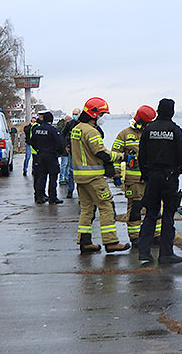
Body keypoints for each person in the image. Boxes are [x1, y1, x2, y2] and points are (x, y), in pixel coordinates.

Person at [70, 97, 131, 253]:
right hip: (93, 177)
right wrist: (122, 157)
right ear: (94, 114)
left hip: (80, 177)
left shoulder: (77, 128)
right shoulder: (91, 131)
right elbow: (101, 153)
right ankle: (111, 242)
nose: (102, 118)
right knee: (107, 206)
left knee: (87, 209)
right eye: (101, 114)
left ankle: (85, 242)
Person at [138, 98, 182, 264]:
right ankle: (166, 253)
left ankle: (144, 252)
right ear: (172, 112)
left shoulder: (149, 129)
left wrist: (145, 174)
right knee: (168, 214)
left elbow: (142, 155)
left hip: (152, 177)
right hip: (170, 178)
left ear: (157, 110)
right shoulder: (175, 130)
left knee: (150, 214)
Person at [112, 105, 158, 247]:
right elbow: (115, 155)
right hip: (134, 180)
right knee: (135, 209)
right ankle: (135, 238)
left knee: (156, 208)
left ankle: (157, 236)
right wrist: (116, 174)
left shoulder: (152, 133)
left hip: (151, 178)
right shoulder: (124, 134)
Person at [30, 111, 64, 204]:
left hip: (40, 155)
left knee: (41, 177)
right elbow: (59, 143)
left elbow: (32, 141)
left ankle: (40, 197)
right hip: (51, 156)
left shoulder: (37, 129)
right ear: (51, 120)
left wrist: (38, 149)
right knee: (53, 177)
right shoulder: (53, 130)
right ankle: (52, 198)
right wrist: (59, 152)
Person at [61, 107, 81, 198]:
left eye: (76, 114)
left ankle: (81, 191)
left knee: (81, 171)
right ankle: (70, 190)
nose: (74, 116)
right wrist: (66, 146)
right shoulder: (69, 124)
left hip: (81, 151)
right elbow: (63, 134)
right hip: (72, 149)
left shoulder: (82, 124)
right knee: (71, 171)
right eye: (73, 114)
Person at [58, 115, 72, 184]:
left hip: (67, 149)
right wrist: (65, 147)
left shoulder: (65, 128)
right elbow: (62, 139)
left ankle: (66, 178)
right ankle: (62, 178)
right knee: (64, 165)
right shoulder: (63, 129)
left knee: (67, 165)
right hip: (64, 150)